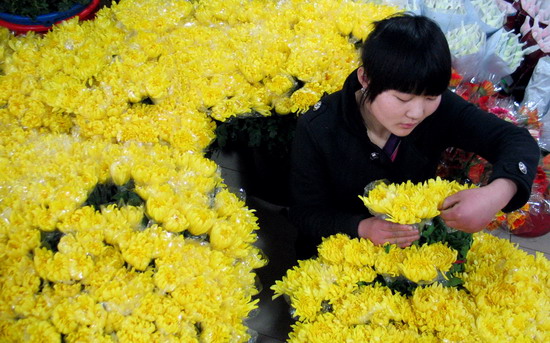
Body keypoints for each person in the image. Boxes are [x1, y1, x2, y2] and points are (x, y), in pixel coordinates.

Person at [288, 13, 541, 260]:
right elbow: (306, 213)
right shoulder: (319, 127)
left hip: (412, 250)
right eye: (402, 99)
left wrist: (497, 192)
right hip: (337, 254)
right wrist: (361, 227)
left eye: (431, 98)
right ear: (365, 78)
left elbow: (516, 140)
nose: (417, 113)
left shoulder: (440, 110)